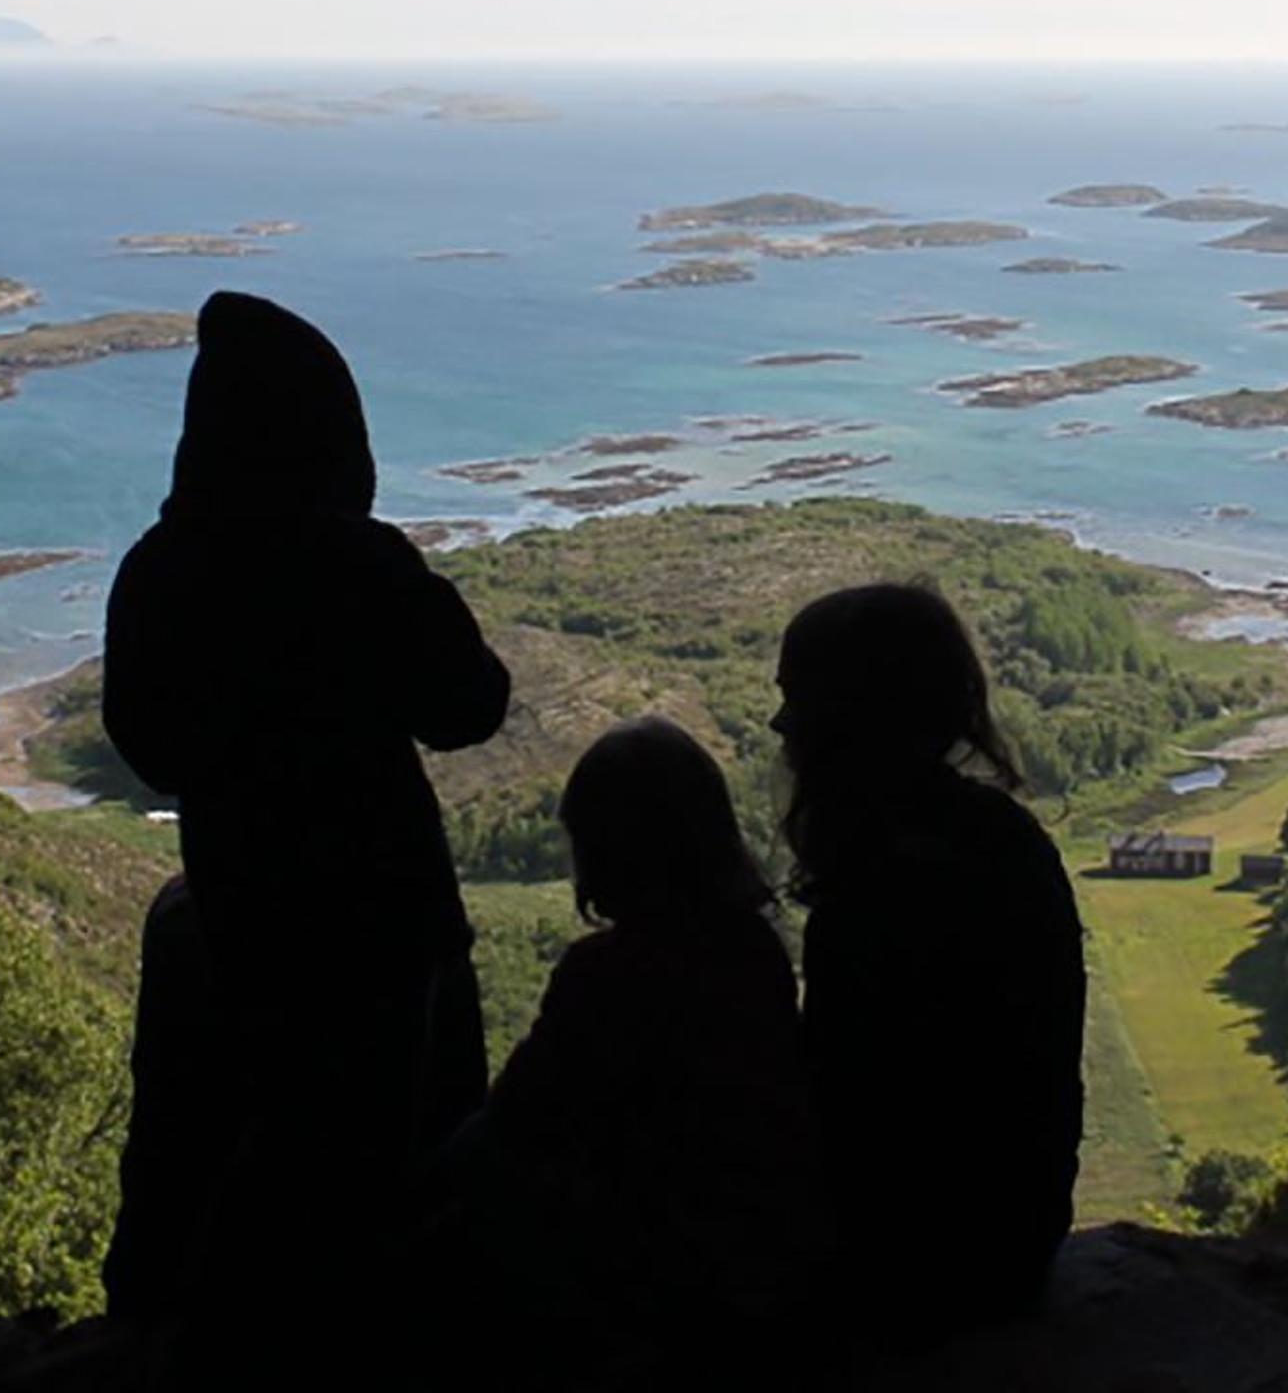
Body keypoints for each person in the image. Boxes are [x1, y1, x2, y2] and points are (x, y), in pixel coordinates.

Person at [94, 290, 511, 1371]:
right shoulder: (357, 565)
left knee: (261, 1139)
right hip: (388, 907)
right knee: (392, 1159)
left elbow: (149, 740)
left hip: (240, 898)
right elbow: (473, 703)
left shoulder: (160, 568)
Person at [438, 720, 823, 1388]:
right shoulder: (753, 950)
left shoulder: (603, 973)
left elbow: (518, 1117)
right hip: (752, 1247)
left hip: (644, 1261)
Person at [773, 583, 1084, 1351]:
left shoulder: (885, 875)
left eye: (797, 697)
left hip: (918, 1261)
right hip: (1013, 1237)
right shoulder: (997, 837)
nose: (781, 722)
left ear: (853, 714)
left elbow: (852, 1106)